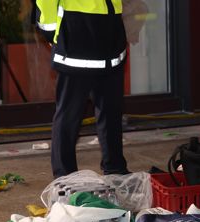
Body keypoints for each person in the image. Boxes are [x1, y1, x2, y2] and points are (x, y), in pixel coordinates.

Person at [35, 0, 130, 178]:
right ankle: (65, 176)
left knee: (111, 110)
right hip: (76, 34)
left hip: (110, 34)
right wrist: (53, 32)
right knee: (69, 114)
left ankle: (115, 167)